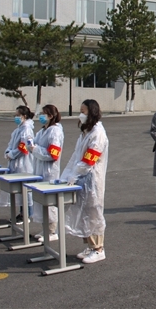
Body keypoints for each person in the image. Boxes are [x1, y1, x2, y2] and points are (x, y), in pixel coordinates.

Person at [60, 99, 109, 264]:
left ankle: (98, 249)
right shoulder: (86, 132)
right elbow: (76, 156)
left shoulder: (98, 134)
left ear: (92, 112)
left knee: (93, 213)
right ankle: (90, 245)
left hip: (92, 179)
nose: (80, 114)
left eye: (83, 111)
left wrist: (76, 174)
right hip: (82, 178)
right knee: (85, 213)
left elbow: (89, 160)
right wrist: (67, 175)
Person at [29, 104, 64, 242]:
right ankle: (45, 229)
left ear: (50, 116)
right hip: (40, 170)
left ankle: (52, 231)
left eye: (43, 114)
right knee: (41, 201)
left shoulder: (55, 132)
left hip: (49, 172)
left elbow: (53, 154)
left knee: (49, 202)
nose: (41, 117)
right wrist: (31, 145)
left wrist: (35, 149)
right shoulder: (42, 131)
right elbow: (34, 145)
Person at [0, 105, 35, 224]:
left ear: (24, 116)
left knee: (25, 190)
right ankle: (22, 213)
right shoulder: (18, 129)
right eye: (15, 115)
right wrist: (8, 152)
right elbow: (11, 144)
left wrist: (12, 154)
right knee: (20, 190)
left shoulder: (27, 129)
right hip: (16, 162)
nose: (16, 117)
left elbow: (24, 146)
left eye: (18, 115)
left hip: (24, 163)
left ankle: (27, 214)